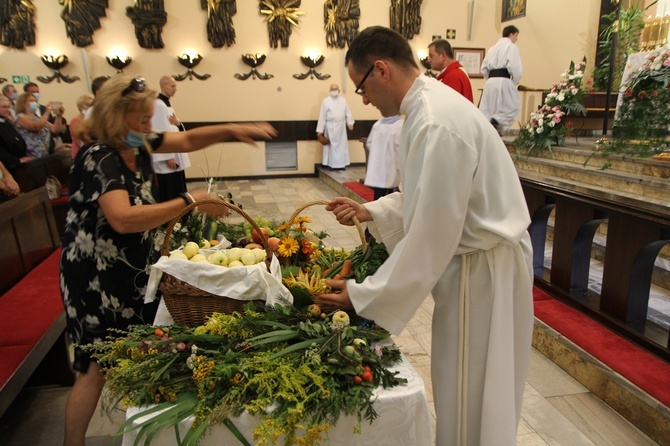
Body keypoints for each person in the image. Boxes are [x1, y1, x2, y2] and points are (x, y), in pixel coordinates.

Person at [316, 26, 534, 446]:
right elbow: (430, 197)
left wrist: (363, 294)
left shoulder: (434, 121)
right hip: (477, 263)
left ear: (381, 70)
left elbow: (432, 235)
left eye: (361, 87)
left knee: (471, 395)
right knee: (463, 387)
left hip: (483, 271)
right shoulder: (427, 109)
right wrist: (371, 210)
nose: (362, 99)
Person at [59, 73, 277, 446]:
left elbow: (187, 139)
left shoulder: (132, 141)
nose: (150, 124)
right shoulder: (101, 157)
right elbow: (122, 218)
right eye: (142, 117)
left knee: (128, 349)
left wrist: (234, 129)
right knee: (94, 366)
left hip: (126, 270)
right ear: (116, 115)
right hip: (95, 276)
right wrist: (191, 202)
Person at [150, 75, 190, 202]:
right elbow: (160, 131)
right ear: (163, 86)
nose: (175, 89)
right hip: (168, 159)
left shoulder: (165, 104)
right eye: (172, 86)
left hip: (174, 154)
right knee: (171, 191)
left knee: (179, 188)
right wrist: (168, 157)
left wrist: (179, 124)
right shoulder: (158, 105)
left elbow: (174, 127)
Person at [479, 25, 522, 135]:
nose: (516, 39)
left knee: (489, 108)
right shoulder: (511, 47)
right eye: (516, 36)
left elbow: (483, 69)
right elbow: (515, 67)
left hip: (490, 82)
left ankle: (487, 130)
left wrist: (489, 80)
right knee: (512, 107)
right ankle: (497, 122)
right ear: (511, 34)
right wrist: (514, 82)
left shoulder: (492, 48)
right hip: (504, 80)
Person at [363, 114, 402, 200]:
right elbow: (400, 147)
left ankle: (376, 211)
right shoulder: (400, 125)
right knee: (393, 194)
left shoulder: (377, 124)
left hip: (378, 164)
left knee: (378, 193)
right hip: (392, 163)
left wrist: (376, 154)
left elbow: (369, 143)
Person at [316, 84, 355, 170]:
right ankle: (332, 165)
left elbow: (348, 113)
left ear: (339, 90)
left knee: (341, 146)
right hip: (330, 127)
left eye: (336, 88)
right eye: (332, 89)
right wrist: (320, 131)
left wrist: (350, 123)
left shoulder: (343, 100)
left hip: (341, 127)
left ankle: (341, 165)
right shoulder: (325, 101)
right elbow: (322, 116)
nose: (334, 90)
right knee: (332, 146)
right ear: (329, 90)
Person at [14, 93, 64, 158]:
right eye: (31, 101)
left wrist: (59, 116)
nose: (34, 103)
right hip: (31, 156)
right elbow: (36, 127)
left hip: (45, 154)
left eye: (35, 101)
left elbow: (55, 129)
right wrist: (46, 112)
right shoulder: (20, 117)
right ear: (23, 103)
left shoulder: (38, 118)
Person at [0, 96, 30, 172]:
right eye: (4, 107)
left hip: (21, 161)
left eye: (8, 106)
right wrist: (17, 160)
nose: (7, 109)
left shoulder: (6, 122)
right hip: (10, 165)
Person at [68, 94, 93, 159]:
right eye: (87, 105)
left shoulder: (91, 119)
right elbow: (78, 141)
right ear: (80, 106)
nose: (90, 107)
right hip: (79, 153)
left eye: (91, 104)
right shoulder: (75, 120)